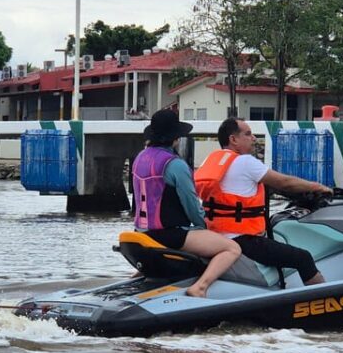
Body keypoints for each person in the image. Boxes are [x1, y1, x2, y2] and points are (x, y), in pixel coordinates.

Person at [194, 117, 332, 286]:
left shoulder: (211, 161)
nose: (253, 138)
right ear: (233, 139)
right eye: (248, 134)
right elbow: (284, 182)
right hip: (243, 239)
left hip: (215, 236)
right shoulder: (245, 161)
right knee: (303, 258)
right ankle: (323, 302)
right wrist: (318, 187)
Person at [132, 109, 241, 298]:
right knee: (231, 248)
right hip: (168, 235)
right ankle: (200, 287)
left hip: (140, 232)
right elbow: (191, 203)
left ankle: (136, 281)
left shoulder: (139, 158)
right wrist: (204, 227)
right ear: (176, 137)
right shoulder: (174, 164)